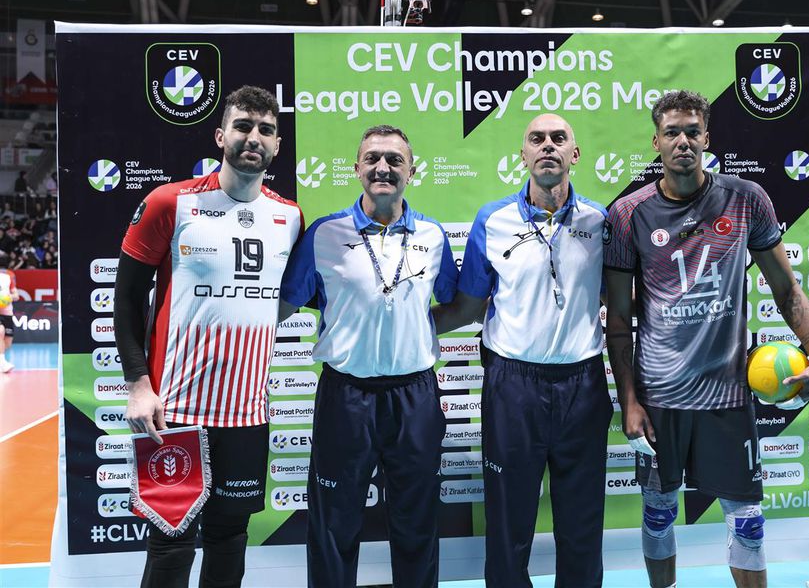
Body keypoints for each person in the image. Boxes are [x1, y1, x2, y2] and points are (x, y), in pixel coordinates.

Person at [602, 90, 809, 588]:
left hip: (727, 394)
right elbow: (617, 319)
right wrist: (629, 401)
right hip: (659, 398)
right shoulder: (628, 214)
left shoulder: (746, 198)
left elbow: (786, 288)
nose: (682, 141)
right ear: (656, 142)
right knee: (658, 514)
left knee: (748, 523)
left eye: (692, 132)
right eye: (672, 132)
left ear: (707, 138)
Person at [113, 85, 302, 588]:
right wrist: (138, 385)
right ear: (220, 136)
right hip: (174, 411)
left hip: (246, 414)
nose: (253, 137)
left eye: (265, 129)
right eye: (242, 126)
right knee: (170, 544)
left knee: (229, 539)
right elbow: (126, 298)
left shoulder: (290, 217)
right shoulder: (169, 203)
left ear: (277, 144)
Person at [433, 113, 612, 588]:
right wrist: (406, 327)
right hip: (512, 386)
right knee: (508, 521)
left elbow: (621, 299)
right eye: (537, 139)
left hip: (583, 384)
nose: (547, 145)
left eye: (559, 138)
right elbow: (468, 305)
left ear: (575, 154)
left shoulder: (600, 221)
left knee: (582, 521)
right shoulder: (492, 220)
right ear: (524, 154)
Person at [278, 125, 458, 588]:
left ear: (411, 172)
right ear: (357, 168)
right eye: (373, 158)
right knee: (333, 522)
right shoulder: (324, 234)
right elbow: (282, 306)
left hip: (415, 396)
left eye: (395, 160)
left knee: (417, 520)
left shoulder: (433, 235)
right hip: (345, 395)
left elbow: (456, 304)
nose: (383, 168)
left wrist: (412, 330)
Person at [0, 254, 19, 373]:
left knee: (7, 343)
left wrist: (8, 298)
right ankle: (2, 363)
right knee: (0, 331)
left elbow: (16, 295)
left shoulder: (9, 275)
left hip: (7, 312)